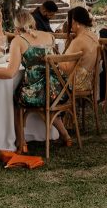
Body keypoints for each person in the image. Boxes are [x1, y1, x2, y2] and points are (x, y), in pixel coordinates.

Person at [12, 9, 75, 152]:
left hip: (36, 94)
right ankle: (66, 136)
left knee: (17, 101)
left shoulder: (18, 41)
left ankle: (22, 143)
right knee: (48, 99)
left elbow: (11, 72)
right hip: (59, 91)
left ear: (16, 26)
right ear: (33, 22)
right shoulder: (49, 36)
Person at [56, 6, 99, 99]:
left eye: (69, 21)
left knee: (48, 77)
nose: (68, 24)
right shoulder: (94, 36)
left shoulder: (78, 41)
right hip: (88, 81)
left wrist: (56, 60)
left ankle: (55, 109)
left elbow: (67, 68)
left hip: (75, 84)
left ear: (75, 22)